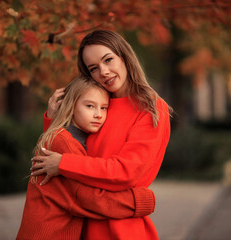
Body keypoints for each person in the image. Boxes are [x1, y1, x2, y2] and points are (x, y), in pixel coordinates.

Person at [31, 30, 172, 240]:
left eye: (108, 60)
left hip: (121, 229)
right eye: (94, 68)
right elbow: (67, 153)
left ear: (124, 56)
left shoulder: (150, 108)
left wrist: (63, 164)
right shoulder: (99, 106)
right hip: (82, 223)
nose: (103, 72)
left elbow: (126, 172)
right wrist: (52, 120)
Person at [17, 76, 156, 240]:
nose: (98, 114)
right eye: (90, 106)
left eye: (104, 108)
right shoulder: (65, 142)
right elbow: (87, 199)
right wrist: (140, 201)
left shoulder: (66, 137)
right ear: (71, 106)